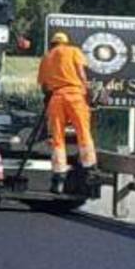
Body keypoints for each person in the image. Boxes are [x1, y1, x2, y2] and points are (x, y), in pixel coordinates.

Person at [37, 31, 98, 193]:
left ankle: (58, 178)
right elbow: (81, 72)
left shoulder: (47, 57)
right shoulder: (73, 51)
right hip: (75, 96)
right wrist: (88, 91)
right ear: (65, 42)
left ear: (52, 44)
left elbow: (43, 86)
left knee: (57, 139)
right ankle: (89, 169)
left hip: (56, 98)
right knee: (83, 133)